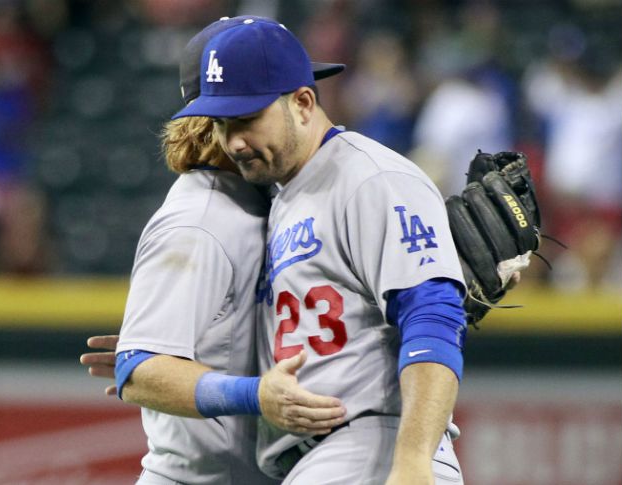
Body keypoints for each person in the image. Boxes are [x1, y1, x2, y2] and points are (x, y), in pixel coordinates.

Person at [171, 18, 467, 484]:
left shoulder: (370, 177)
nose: (234, 142)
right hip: (322, 459)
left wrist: (412, 464)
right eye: (223, 124)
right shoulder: (286, 194)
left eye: (247, 119)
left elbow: (433, 316)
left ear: (303, 103)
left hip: (374, 447)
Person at [82, 16, 349, 485]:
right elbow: (140, 371)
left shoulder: (273, 198)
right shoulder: (199, 220)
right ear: (213, 116)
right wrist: (250, 393)